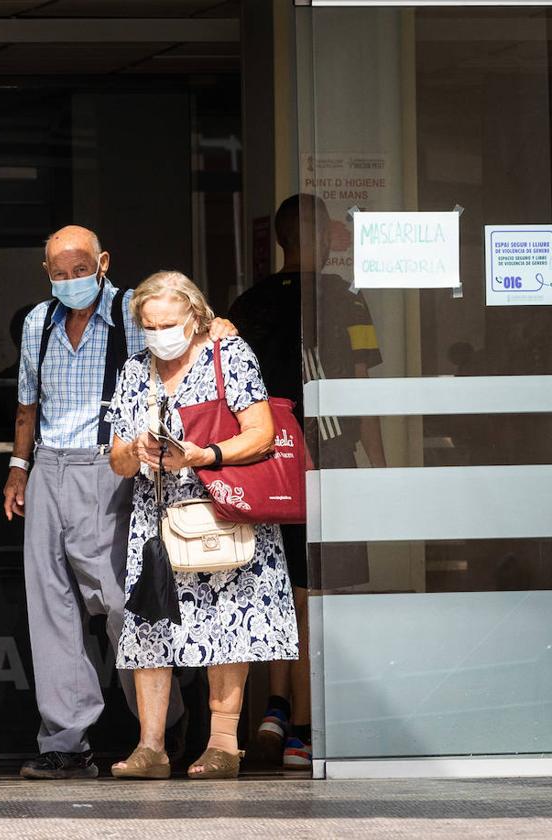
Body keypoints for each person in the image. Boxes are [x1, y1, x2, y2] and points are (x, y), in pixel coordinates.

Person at [4, 226, 236, 780]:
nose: (70, 280)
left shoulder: (134, 315)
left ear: (102, 262)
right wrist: (18, 468)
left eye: (80, 268)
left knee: (119, 604)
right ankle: (65, 740)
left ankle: (163, 721)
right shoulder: (39, 323)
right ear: (47, 274)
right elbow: (27, 404)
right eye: (59, 272)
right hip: (49, 466)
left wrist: (221, 330)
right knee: (51, 608)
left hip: (111, 465)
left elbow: (186, 340)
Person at [107, 270, 298, 781]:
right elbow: (118, 463)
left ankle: (221, 744)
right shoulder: (133, 371)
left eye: (168, 322)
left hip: (223, 506)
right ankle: (151, 748)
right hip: (158, 514)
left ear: (195, 316)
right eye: (148, 325)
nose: (159, 333)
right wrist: (133, 449)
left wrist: (202, 454)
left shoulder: (227, 356)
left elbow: (261, 434)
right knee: (150, 623)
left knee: (228, 620)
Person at [228, 194, 385, 769]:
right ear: (317, 236)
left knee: (284, 587)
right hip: (329, 454)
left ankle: (274, 705)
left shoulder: (246, 307)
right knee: (318, 595)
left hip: (265, 463)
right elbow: (360, 389)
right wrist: (378, 466)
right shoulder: (345, 301)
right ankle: (304, 728)